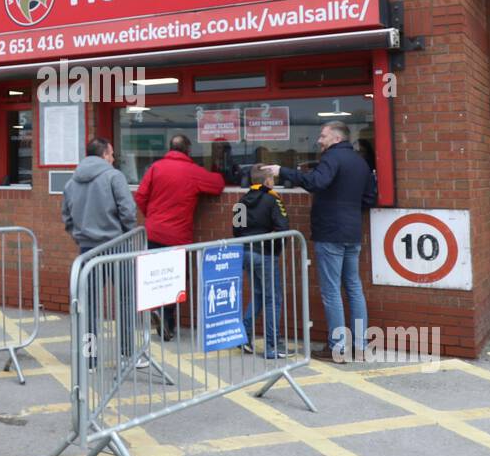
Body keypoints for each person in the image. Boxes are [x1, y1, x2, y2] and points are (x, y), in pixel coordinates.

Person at [268, 121, 377, 360]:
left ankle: (337, 347)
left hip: (330, 232)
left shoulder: (331, 157)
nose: (319, 140)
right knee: (354, 288)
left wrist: (282, 171)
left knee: (331, 291)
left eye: (323, 136)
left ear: (336, 139)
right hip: (352, 232)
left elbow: (316, 182)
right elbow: (370, 198)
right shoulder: (361, 162)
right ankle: (360, 345)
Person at [134, 133, 226, 339]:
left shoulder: (155, 168)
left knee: (155, 275)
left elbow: (140, 195)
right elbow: (217, 184)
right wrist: (218, 169)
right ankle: (168, 322)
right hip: (177, 236)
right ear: (188, 150)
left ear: (170, 148)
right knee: (173, 279)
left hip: (154, 231)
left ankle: (156, 311)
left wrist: (151, 216)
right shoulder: (192, 171)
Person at [62, 138, 144, 368]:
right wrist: (126, 233)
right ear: (104, 154)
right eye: (112, 154)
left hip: (88, 250)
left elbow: (66, 216)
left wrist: (80, 234)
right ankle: (128, 354)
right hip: (117, 246)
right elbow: (128, 211)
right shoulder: (114, 176)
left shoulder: (72, 181)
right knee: (126, 301)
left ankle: (90, 357)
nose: (114, 158)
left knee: (88, 306)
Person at [232, 163, 290, 358]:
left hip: (246, 253)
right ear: (267, 181)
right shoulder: (273, 200)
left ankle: (244, 335)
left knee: (258, 294)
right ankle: (272, 345)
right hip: (264, 254)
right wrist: (275, 252)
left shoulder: (240, 201)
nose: (273, 182)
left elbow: (236, 231)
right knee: (273, 299)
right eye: (272, 179)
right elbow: (283, 229)